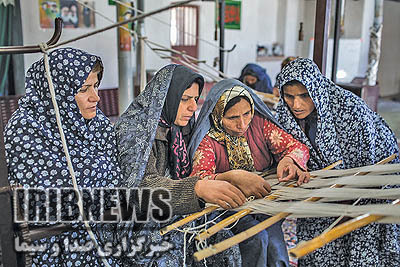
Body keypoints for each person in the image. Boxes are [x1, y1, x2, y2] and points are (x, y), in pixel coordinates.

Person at [275, 57, 400, 267]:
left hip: (366, 191)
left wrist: (347, 203)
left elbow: (367, 168)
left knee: (359, 247)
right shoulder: (285, 113)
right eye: (289, 96)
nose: (296, 105)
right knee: (319, 246)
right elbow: (287, 147)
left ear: (317, 89)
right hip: (321, 192)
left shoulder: (350, 110)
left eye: (305, 96)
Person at [115, 64, 244, 266]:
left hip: (176, 212)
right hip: (140, 221)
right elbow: (141, 188)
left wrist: (228, 177)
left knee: (225, 244)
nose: (193, 107)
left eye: (194, 99)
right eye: (184, 99)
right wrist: (196, 188)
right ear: (165, 98)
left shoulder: (179, 127)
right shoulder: (135, 130)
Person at [4, 48, 122, 266]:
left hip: (101, 243)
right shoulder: (25, 131)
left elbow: (118, 180)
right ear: (56, 91)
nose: (96, 97)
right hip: (54, 250)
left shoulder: (98, 125)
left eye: (96, 86)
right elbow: (49, 205)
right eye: (83, 89)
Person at [188, 79, 311, 267]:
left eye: (247, 113)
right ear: (217, 115)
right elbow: (199, 180)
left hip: (264, 199)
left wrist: (289, 160)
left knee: (276, 249)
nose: (242, 124)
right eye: (232, 118)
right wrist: (232, 177)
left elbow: (295, 147)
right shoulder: (208, 140)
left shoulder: (259, 124)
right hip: (227, 205)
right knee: (256, 238)